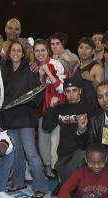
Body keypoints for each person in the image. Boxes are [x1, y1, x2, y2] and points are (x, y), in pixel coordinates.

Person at [2, 41, 48, 198]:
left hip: (26, 117)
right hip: (10, 118)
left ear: (23, 54)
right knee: (17, 153)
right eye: (12, 50)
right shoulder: (5, 70)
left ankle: (40, 185)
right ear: (9, 53)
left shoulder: (29, 69)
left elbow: (38, 92)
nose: (15, 53)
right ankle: (18, 181)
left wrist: (30, 104)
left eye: (18, 51)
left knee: (31, 152)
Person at [43, 77, 95, 196]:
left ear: (80, 91)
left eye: (74, 90)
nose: (71, 94)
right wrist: (51, 108)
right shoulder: (60, 108)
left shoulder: (88, 108)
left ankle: (70, 186)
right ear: (64, 93)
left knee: (75, 165)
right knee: (63, 172)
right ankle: (66, 184)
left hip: (80, 149)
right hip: (63, 152)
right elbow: (46, 127)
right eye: (68, 91)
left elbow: (93, 132)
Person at [34, 39, 67, 179]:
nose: (40, 53)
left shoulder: (55, 64)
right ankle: (48, 169)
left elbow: (62, 88)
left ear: (48, 51)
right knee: (43, 141)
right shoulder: (33, 67)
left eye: (43, 50)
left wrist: (47, 71)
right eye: (37, 50)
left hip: (56, 108)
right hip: (41, 109)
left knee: (56, 142)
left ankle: (58, 171)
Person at [73, 37, 104, 108]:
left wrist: (92, 79)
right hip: (78, 107)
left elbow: (101, 92)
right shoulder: (77, 67)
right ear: (77, 50)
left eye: (87, 48)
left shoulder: (97, 68)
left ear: (93, 51)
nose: (83, 51)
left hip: (92, 108)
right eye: (81, 47)